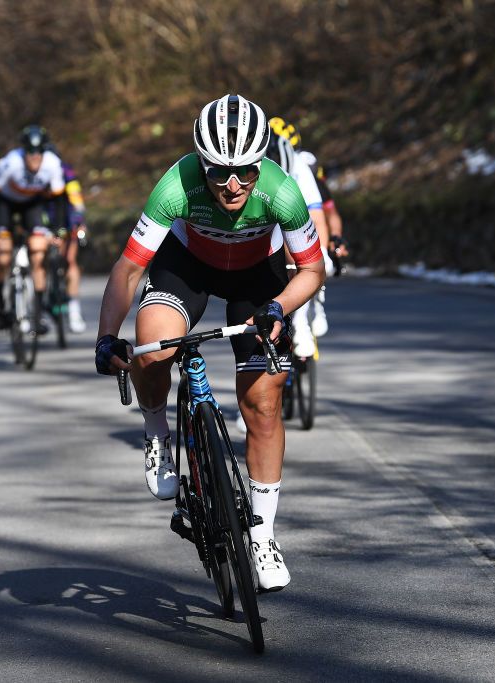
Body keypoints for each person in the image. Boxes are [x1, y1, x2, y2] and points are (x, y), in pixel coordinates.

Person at [94, 94, 326, 592]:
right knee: (154, 348)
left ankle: (262, 534)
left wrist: (278, 308)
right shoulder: (175, 185)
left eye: (244, 170)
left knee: (263, 402)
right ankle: (158, 431)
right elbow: (130, 267)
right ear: (202, 164)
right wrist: (105, 337)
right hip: (188, 267)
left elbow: (312, 269)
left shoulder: (281, 192)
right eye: (219, 172)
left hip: (256, 279)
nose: (233, 183)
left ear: (260, 161)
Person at [269, 117, 349, 337]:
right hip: (277, 217)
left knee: (312, 256)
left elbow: (324, 214)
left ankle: (315, 304)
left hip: (305, 213)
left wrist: (329, 244)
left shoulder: (307, 168)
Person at [0, 125, 66, 330]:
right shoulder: (11, 163)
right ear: (23, 151)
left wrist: (58, 229)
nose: (34, 157)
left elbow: (59, 200)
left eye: (39, 152)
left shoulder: (53, 164)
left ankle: (37, 314)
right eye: (30, 152)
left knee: (38, 251)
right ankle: (0, 303)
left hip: (31, 204)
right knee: (3, 255)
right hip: (5, 203)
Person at [45, 150, 89, 333]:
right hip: (42, 220)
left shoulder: (66, 173)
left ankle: (73, 309)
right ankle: (40, 304)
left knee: (70, 261)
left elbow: (76, 200)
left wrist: (79, 221)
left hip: (64, 218)